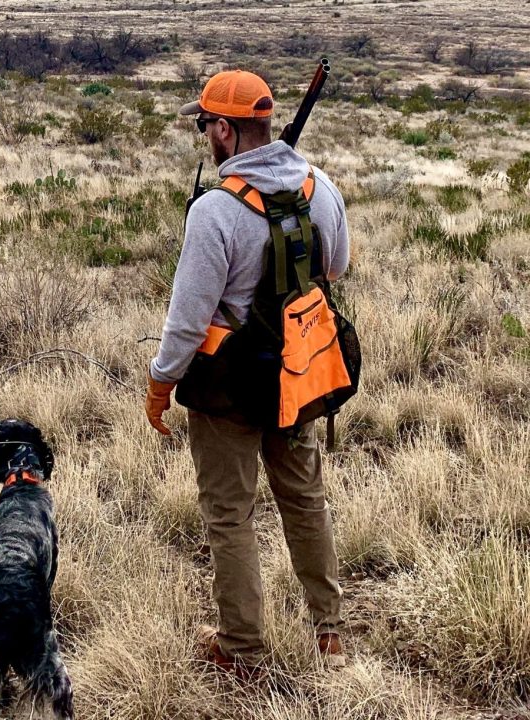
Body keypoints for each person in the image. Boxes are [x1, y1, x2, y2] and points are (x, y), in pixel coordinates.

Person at [145, 70, 350, 674]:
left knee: (230, 515)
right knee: (305, 500)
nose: (205, 135)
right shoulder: (320, 187)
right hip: (298, 376)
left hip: (228, 390)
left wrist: (160, 383)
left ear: (225, 130)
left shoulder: (215, 211)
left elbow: (188, 320)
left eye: (205, 125)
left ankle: (241, 648)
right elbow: (336, 268)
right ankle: (329, 632)